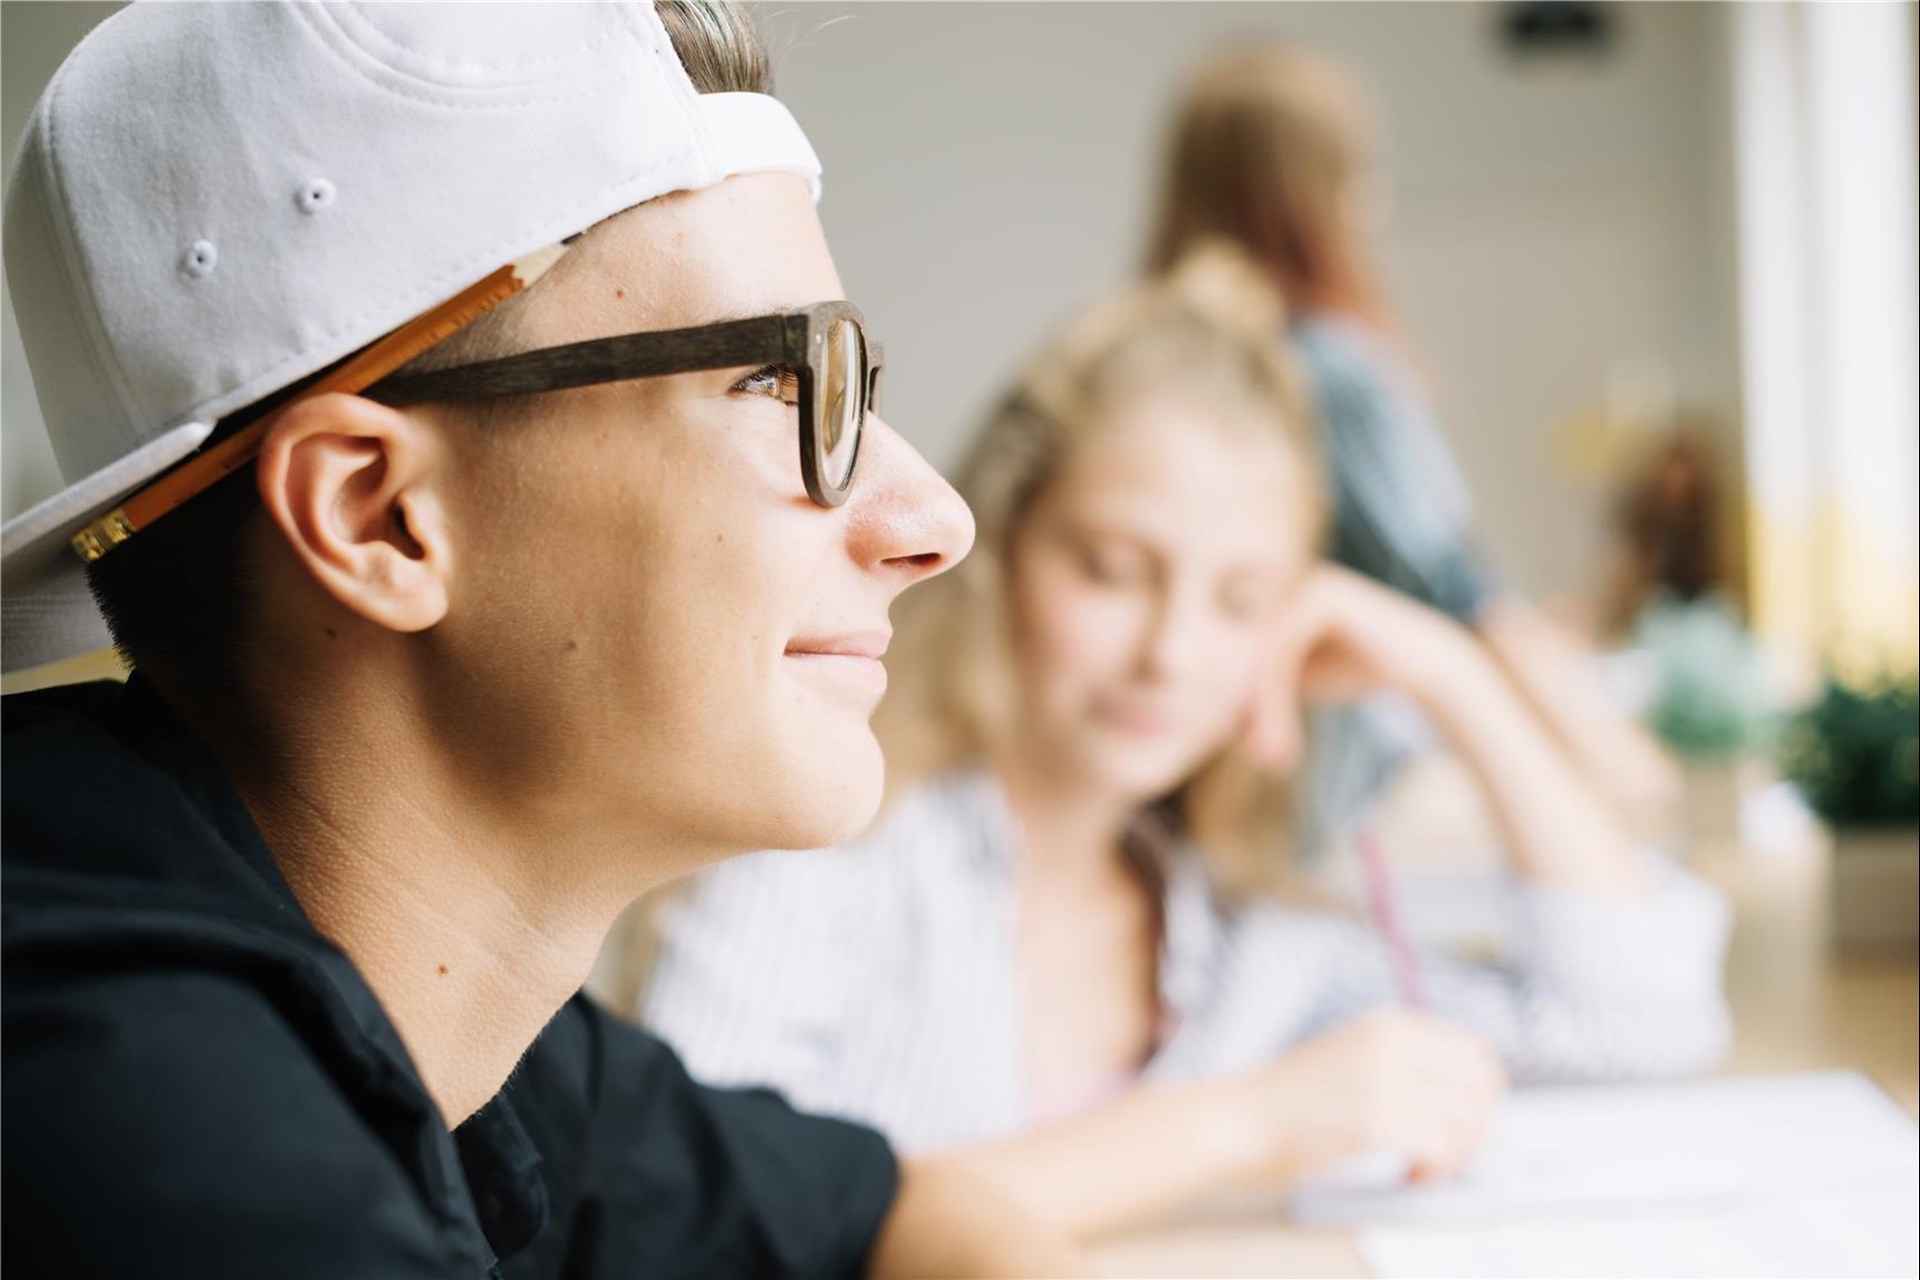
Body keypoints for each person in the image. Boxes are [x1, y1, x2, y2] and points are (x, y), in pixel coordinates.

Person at [0, 3, 1076, 1276]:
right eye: (776, 380)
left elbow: (912, 1225)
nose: (934, 521)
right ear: (380, 516)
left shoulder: (442, 1007)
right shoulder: (157, 1140)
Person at [638, 249, 1733, 1242]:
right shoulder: (823, 851)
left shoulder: (1249, 939)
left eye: (1241, 598)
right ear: (1003, 549)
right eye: (1115, 570)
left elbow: (1638, 1017)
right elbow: (694, 1222)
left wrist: (1448, 673)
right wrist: (1232, 1126)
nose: (1170, 653)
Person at [1143, 44, 1682, 835]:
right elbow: (1452, 584)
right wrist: (1608, 750)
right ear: (1310, 193)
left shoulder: (1158, 353)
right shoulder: (1330, 368)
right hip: (1290, 789)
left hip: (1175, 771)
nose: (1373, 197)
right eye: (1354, 170)